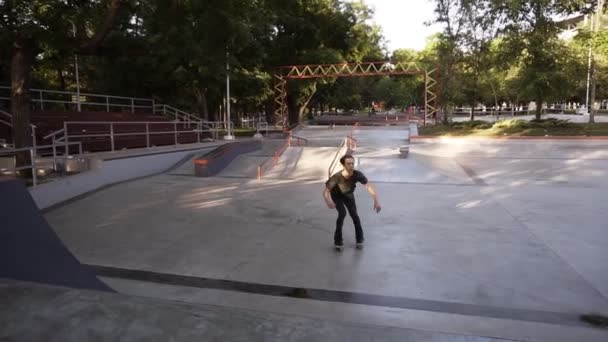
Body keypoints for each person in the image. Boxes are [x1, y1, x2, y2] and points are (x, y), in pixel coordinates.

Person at [323, 154, 381, 251]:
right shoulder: (336, 177)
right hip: (337, 196)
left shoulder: (357, 174)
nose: (351, 166)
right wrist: (328, 201)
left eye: (352, 163)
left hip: (348, 194)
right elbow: (326, 191)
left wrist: (376, 201)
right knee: (342, 213)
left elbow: (368, 186)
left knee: (354, 215)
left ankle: (359, 239)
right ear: (343, 165)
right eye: (348, 164)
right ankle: (338, 241)